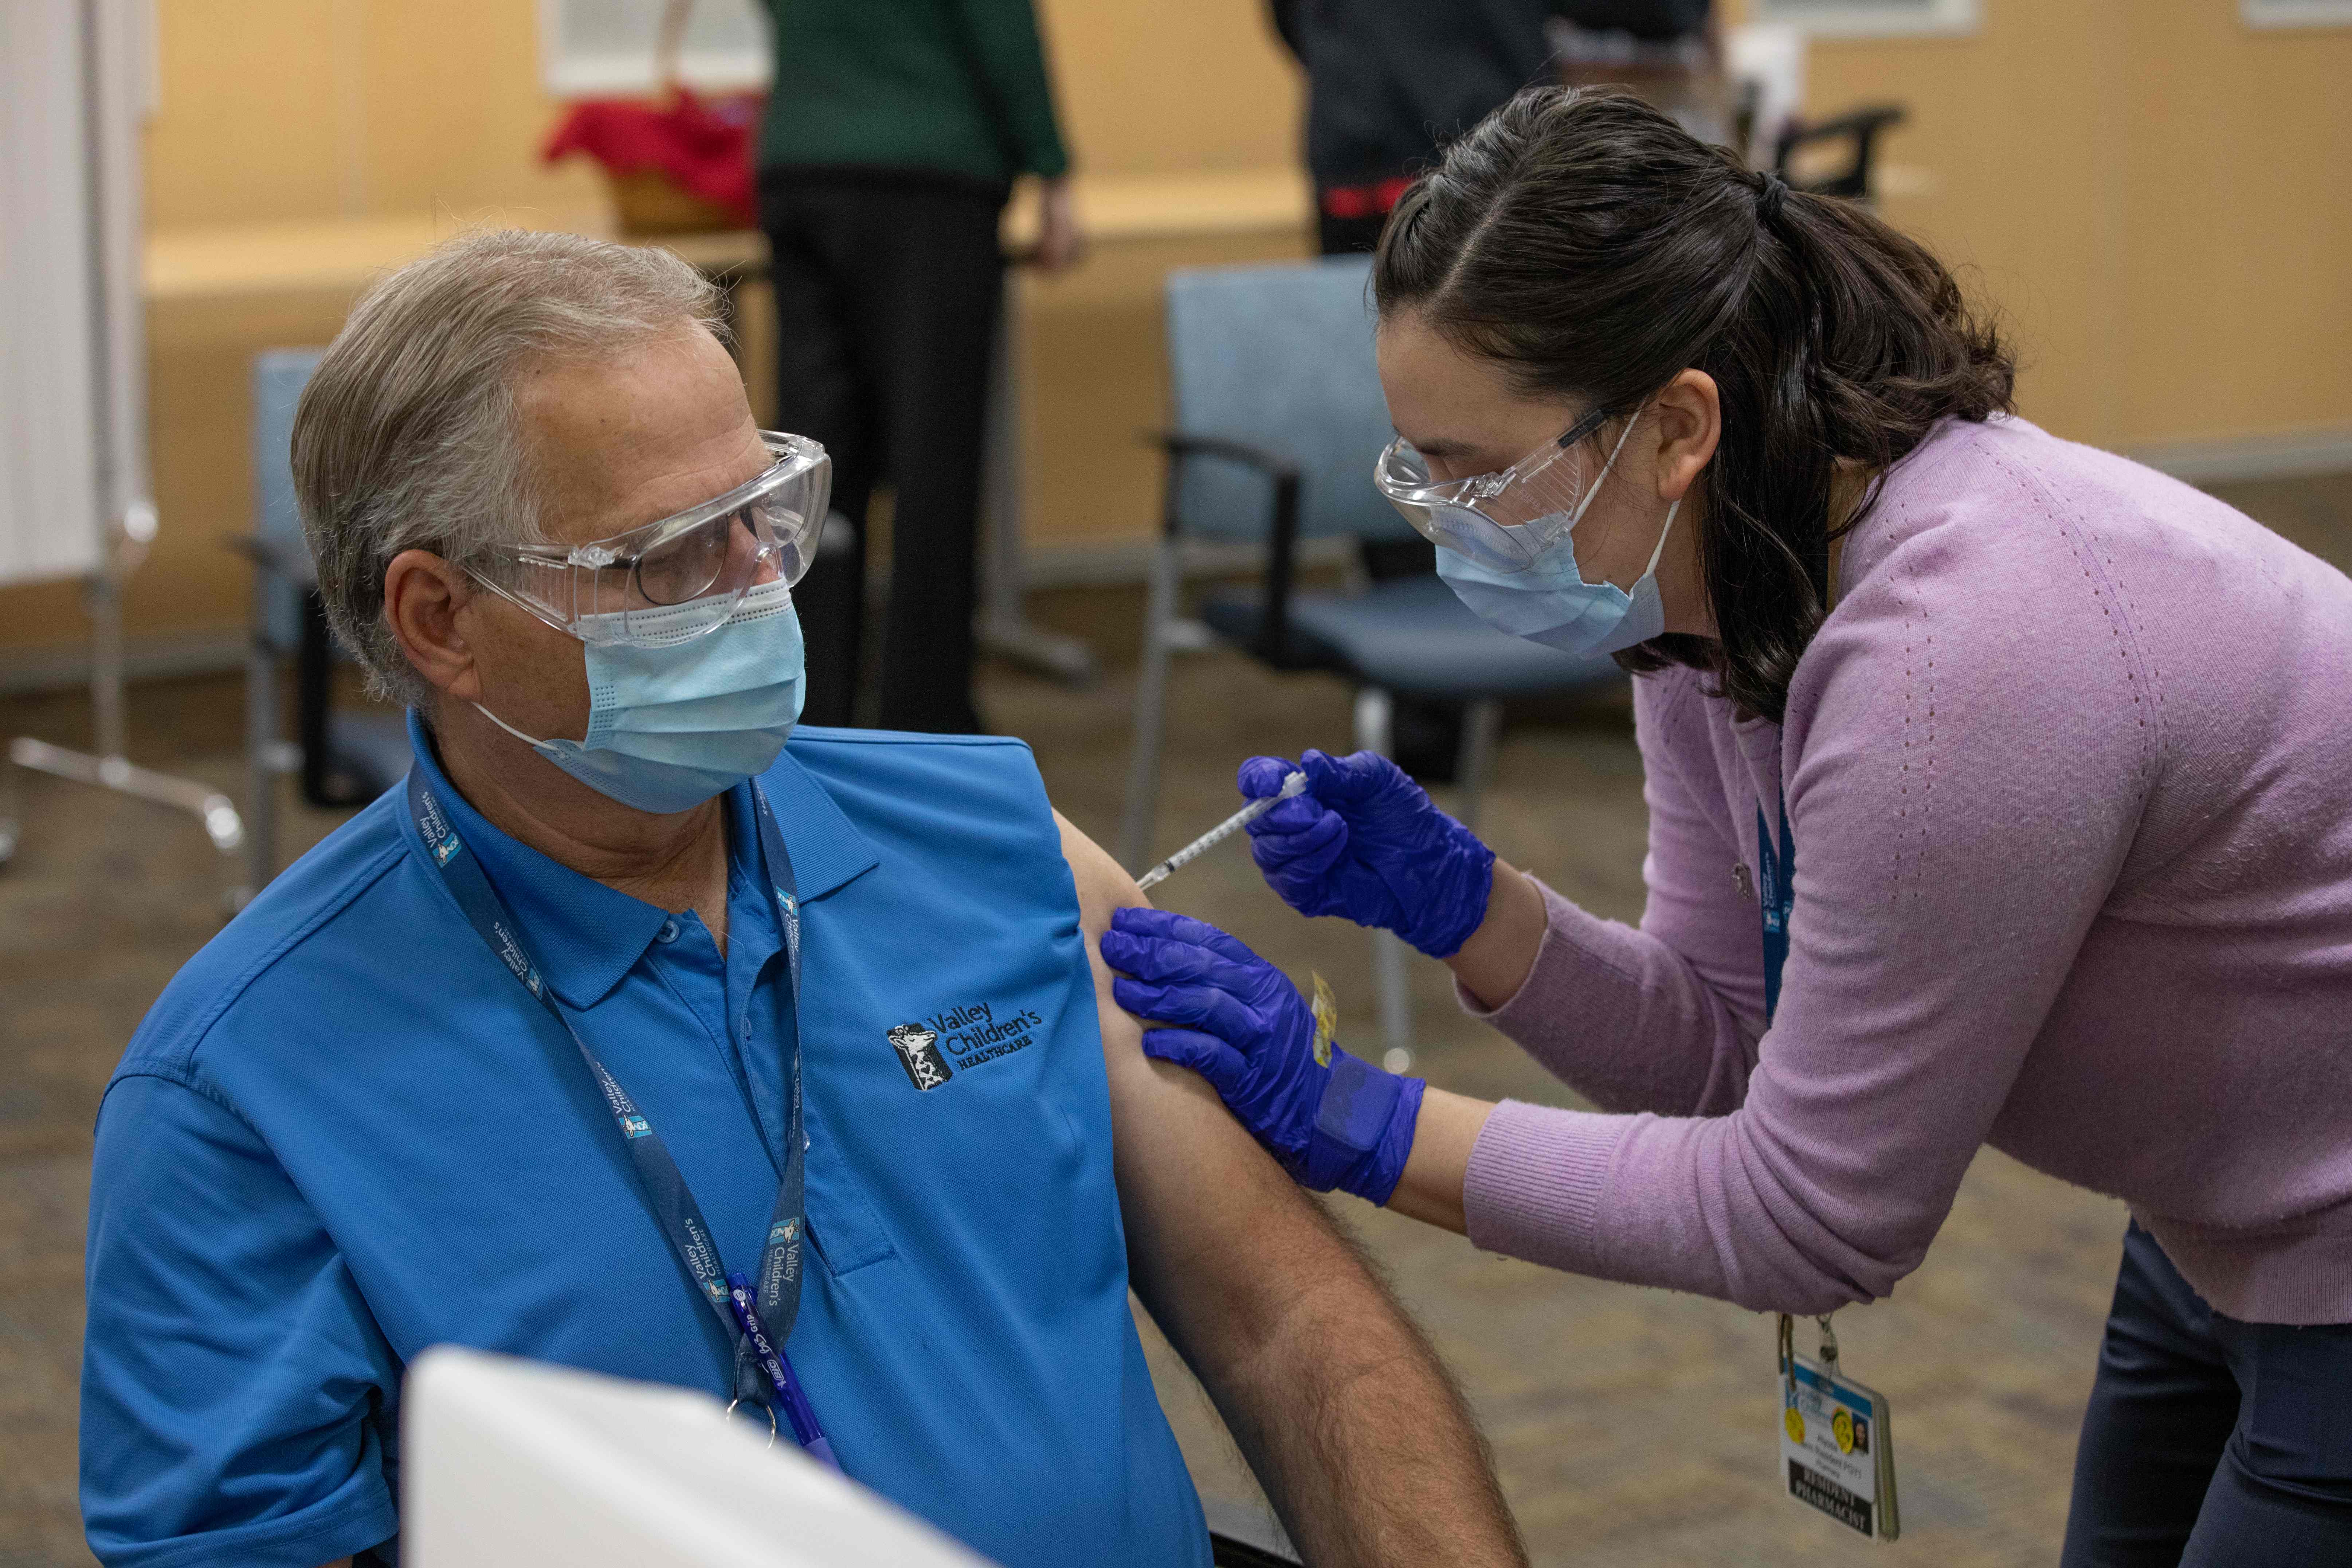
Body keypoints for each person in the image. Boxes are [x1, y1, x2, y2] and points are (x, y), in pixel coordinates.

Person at [77, 231, 1526, 1568]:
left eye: (762, 512)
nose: (758, 584)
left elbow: (1290, 1325)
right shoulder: (245, 1090)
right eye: (665, 555)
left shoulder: (998, 843)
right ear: (439, 619)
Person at [1104, 89, 2352, 1563]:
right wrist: (1470, 907)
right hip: (2223, 1210)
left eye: (1472, 471)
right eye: (1416, 466)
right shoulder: (1720, 598)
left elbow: (1815, 1213)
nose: (1442, 521)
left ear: (1678, 424)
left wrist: (1353, 1115)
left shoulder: (1962, 652)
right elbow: (1727, 1043)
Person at [754, 0, 1083, 735]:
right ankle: (925, 720)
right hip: (930, 177)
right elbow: (1000, 29)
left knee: (813, 476)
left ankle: (804, 707)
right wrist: (1052, 170)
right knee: (934, 465)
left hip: (804, 165)